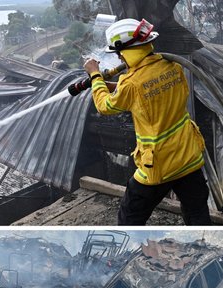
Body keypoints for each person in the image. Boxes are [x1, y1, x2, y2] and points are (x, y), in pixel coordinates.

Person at [83, 18, 212, 225]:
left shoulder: (132, 84)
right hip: (188, 155)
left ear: (126, 51)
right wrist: (111, 85)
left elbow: (105, 106)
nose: (119, 58)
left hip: (158, 164)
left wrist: (95, 75)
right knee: (197, 212)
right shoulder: (171, 66)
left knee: (130, 217)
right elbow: (145, 89)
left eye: (119, 53)